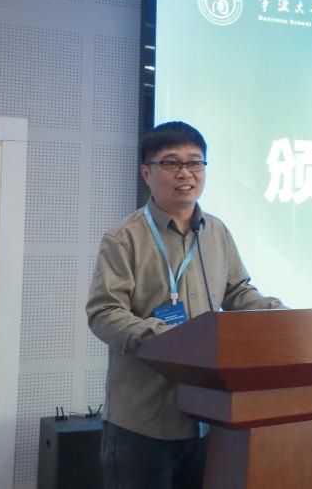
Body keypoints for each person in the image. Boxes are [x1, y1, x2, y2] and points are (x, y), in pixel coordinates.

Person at [87, 121, 284, 489]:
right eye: (171, 163)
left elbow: (238, 293)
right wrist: (169, 340)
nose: (185, 173)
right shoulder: (123, 239)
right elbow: (104, 313)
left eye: (195, 162)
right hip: (144, 419)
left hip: (208, 414)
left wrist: (280, 317)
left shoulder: (217, 231)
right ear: (147, 172)